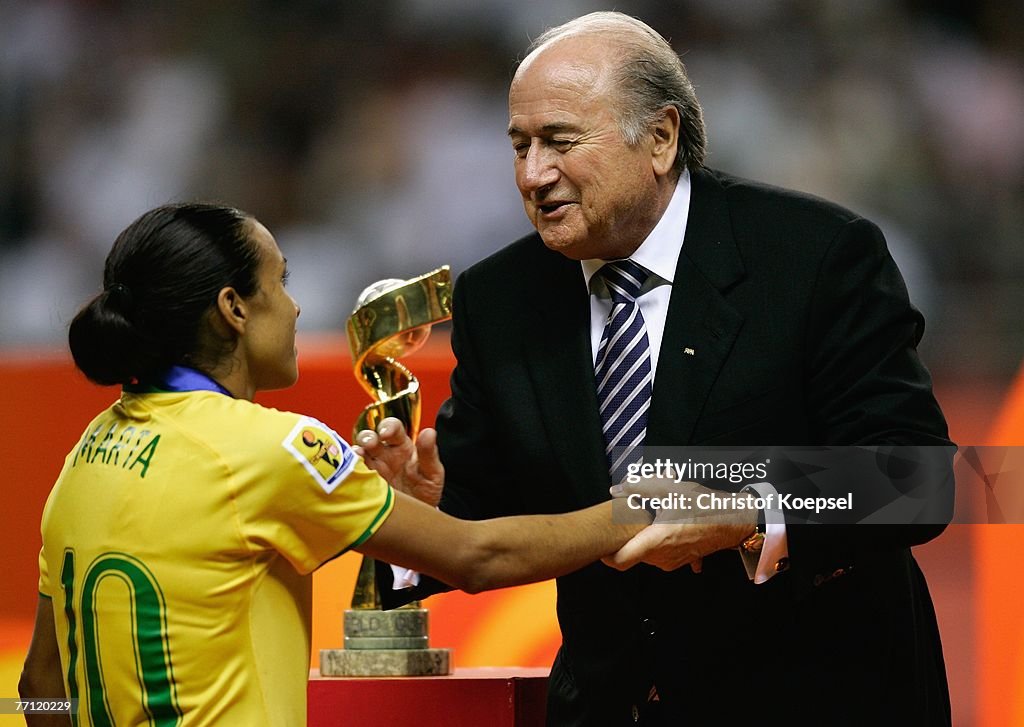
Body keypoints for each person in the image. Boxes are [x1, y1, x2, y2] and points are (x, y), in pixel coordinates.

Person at [361, 11, 956, 726]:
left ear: (662, 137)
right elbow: (495, 509)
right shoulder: (502, 297)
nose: (532, 174)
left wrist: (744, 510)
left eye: (560, 141)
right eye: (519, 145)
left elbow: (915, 478)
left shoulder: (815, 257)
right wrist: (428, 511)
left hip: (814, 693)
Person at [17, 202, 646, 727]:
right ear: (234, 307)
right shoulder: (270, 449)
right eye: (280, 283)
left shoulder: (84, 456)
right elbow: (478, 557)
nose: (294, 309)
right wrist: (662, 499)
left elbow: (40, 686)